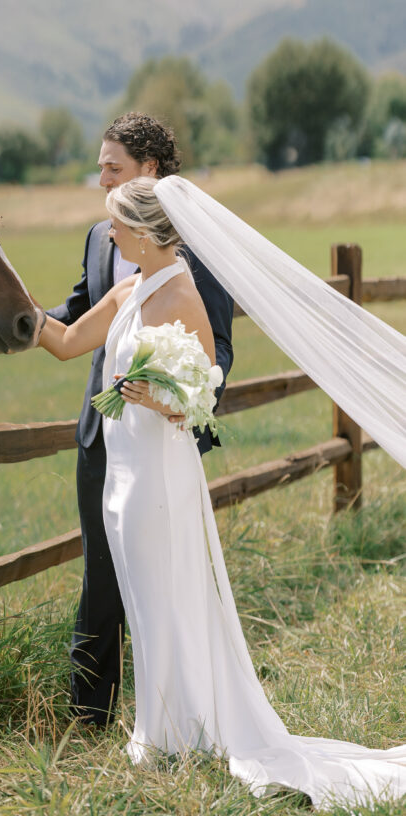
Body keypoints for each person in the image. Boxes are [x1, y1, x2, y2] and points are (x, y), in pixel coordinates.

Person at [38, 177, 406, 809]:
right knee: (140, 594)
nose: (111, 235)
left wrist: (153, 396)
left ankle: (176, 733)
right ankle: (162, 728)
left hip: (158, 473)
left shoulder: (182, 292)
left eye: (119, 225)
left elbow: (201, 400)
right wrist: (6, 310)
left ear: (148, 232)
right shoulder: (132, 287)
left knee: (166, 596)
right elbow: (68, 341)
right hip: (122, 478)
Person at [48, 113, 233, 726]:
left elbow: (212, 360)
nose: (102, 183)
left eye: (113, 170)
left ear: (149, 173)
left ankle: (176, 718)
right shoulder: (105, 245)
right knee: (103, 576)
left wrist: (168, 399)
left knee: (158, 584)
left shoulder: (196, 264)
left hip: (158, 450)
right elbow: (71, 325)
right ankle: (89, 715)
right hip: (103, 441)